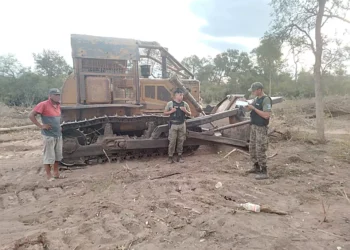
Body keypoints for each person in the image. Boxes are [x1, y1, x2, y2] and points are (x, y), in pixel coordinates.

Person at [29, 88, 63, 181]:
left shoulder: (58, 105)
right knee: (48, 156)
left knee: (57, 155)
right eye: (55, 95)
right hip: (49, 135)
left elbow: (58, 118)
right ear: (50, 96)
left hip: (58, 134)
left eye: (59, 95)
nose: (58, 96)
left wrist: (59, 126)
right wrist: (41, 126)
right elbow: (31, 115)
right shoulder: (43, 104)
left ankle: (56, 173)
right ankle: (49, 176)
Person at [245, 82, 272, 180]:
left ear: (259, 90)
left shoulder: (266, 100)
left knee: (260, 148)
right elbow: (249, 109)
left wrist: (254, 108)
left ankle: (264, 170)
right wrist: (246, 106)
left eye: (254, 90)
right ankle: (256, 166)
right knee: (252, 147)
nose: (253, 92)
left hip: (261, 127)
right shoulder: (256, 99)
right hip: (254, 126)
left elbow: (266, 115)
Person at [164, 88, 191, 163]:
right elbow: (165, 113)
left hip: (182, 124)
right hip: (173, 125)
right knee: (172, 141)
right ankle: (170, 157)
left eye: (182, 95)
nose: (181, 96)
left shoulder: (185, 104)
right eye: (180, 95)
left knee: (181, 141)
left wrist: (185, 111)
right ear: (176, 95)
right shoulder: (170, 103)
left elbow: (190, 113)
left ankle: (179, 156)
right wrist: (171, 111)